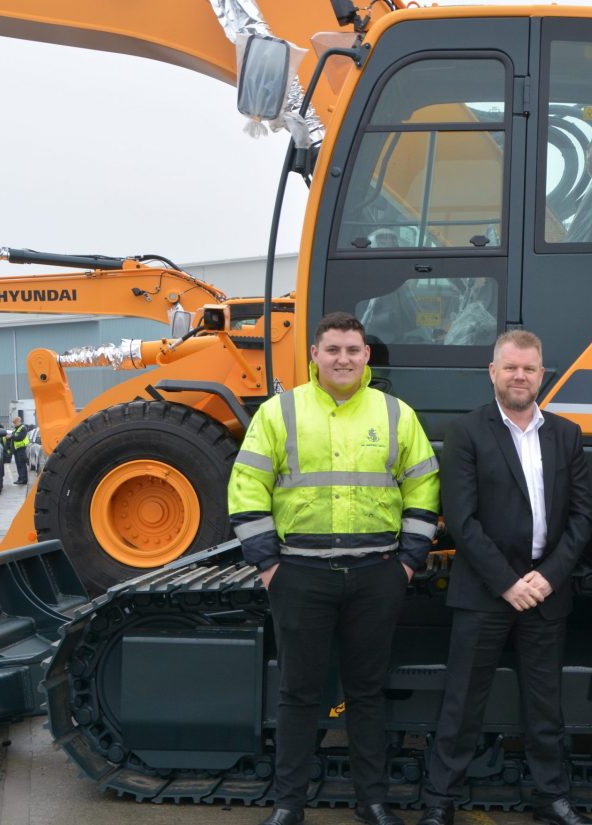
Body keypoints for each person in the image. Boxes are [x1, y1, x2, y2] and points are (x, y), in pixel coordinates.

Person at [228, 311, 440, 825]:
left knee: (367, 693)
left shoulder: (396, 414)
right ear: (314, 357)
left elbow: (423, 489)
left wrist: (407, 564)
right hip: (299, 574)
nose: (342, 358)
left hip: (377, 575)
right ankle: (288, 805)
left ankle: (372, 802)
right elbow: (246, 487)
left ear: (366, 356)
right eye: (333, 350)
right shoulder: (279, 413)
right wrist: (269, 566)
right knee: (298, 693)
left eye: (352, 349)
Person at [418, 330, 592, 825]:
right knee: (462, 703)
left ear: (543, 374)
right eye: (511, 367)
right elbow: (460, 518)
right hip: (484, 591)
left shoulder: (567, 434)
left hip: (546, 591)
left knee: (545, 706)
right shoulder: (467, 432)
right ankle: (439, 803)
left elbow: (582, 517)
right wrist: (508, 583)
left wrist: (548, 577)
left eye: (529, 368)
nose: (520, 376)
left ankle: (552, 799)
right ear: (493, 372)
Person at [10, 416, 29, 484]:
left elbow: (19, 437)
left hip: (21, 449)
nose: (14, 424)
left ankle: (24, 480)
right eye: (14, 423)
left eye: (15, 422)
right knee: (18, 465)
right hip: (16, 450)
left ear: (19, 421)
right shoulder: (16, 429)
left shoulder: (23, 428)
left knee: (22, 465)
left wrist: (11, 436)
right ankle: (20, 478)